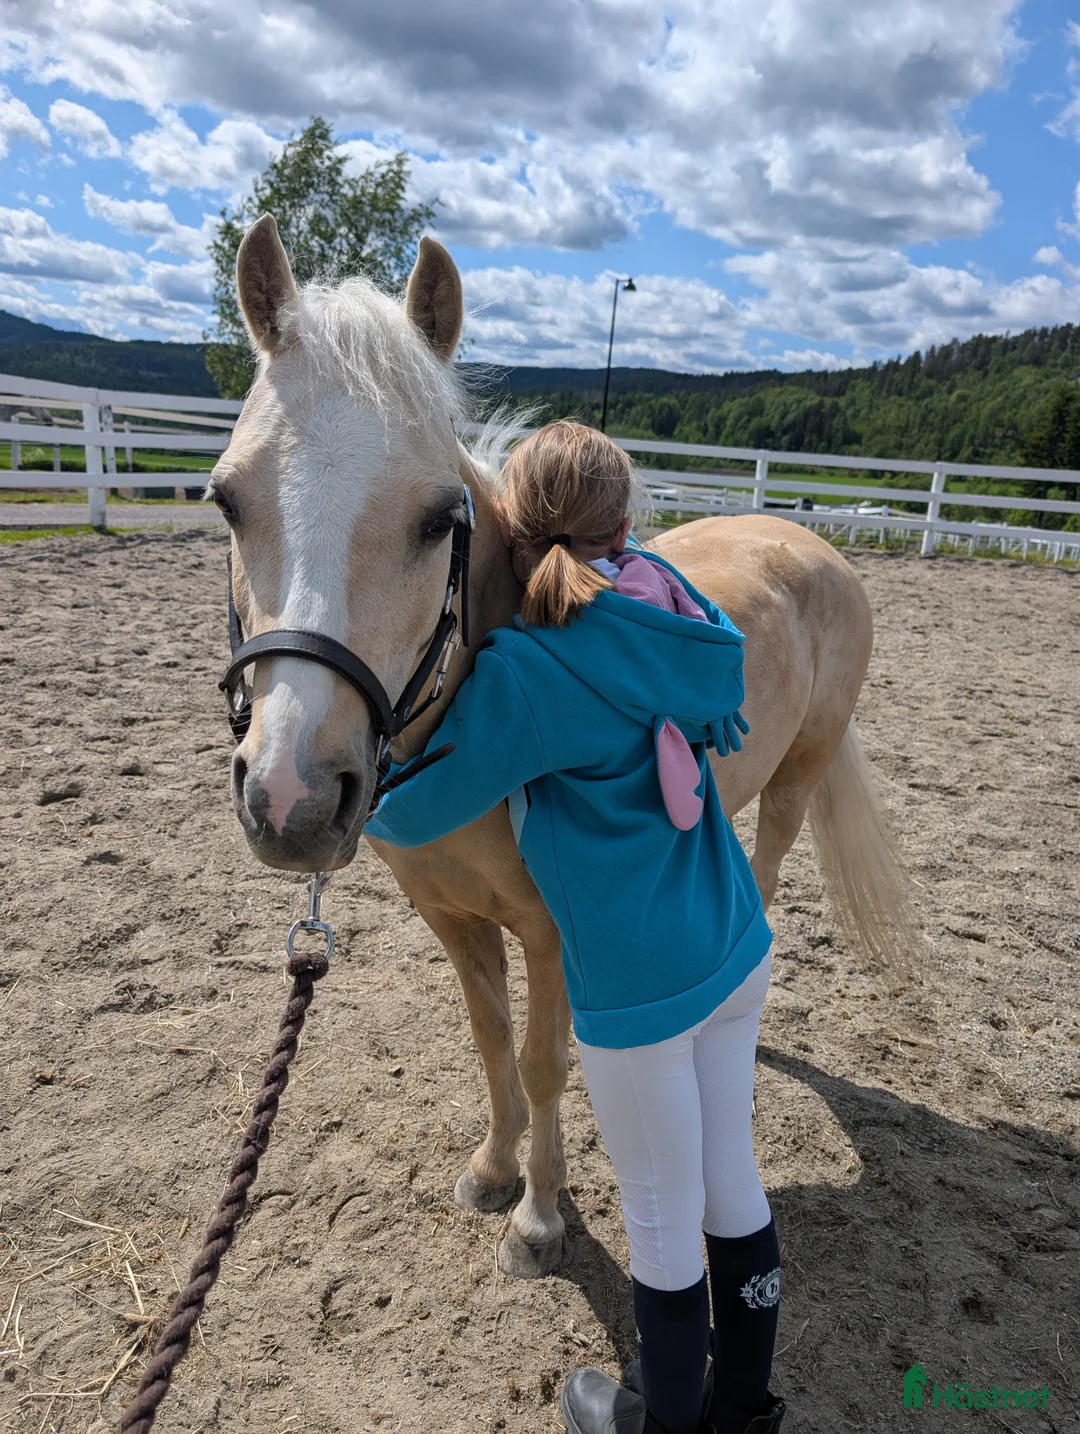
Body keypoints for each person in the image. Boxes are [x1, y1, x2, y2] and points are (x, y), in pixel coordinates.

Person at [366, 420, 785, 1434]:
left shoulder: (529, 673)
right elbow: (722, 684)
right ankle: (744, 1405)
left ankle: (671, 1423)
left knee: (657, 1215)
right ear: (628, 526)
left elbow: (416, 813)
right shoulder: (683, 609)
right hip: (735, 945)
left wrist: (346, 794)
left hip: (640, 987)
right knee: (732, 1174)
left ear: (507, 529)